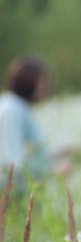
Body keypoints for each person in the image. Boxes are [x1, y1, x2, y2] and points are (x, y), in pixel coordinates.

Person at [0, 57, 51, 191]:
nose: (47, 88)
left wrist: (59, 154)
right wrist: (53, 172)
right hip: (12, 195)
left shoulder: (18, 108)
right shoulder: (11, 110)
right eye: (43, 82)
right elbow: (13, 162)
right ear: (29, 82)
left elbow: (30, 152)